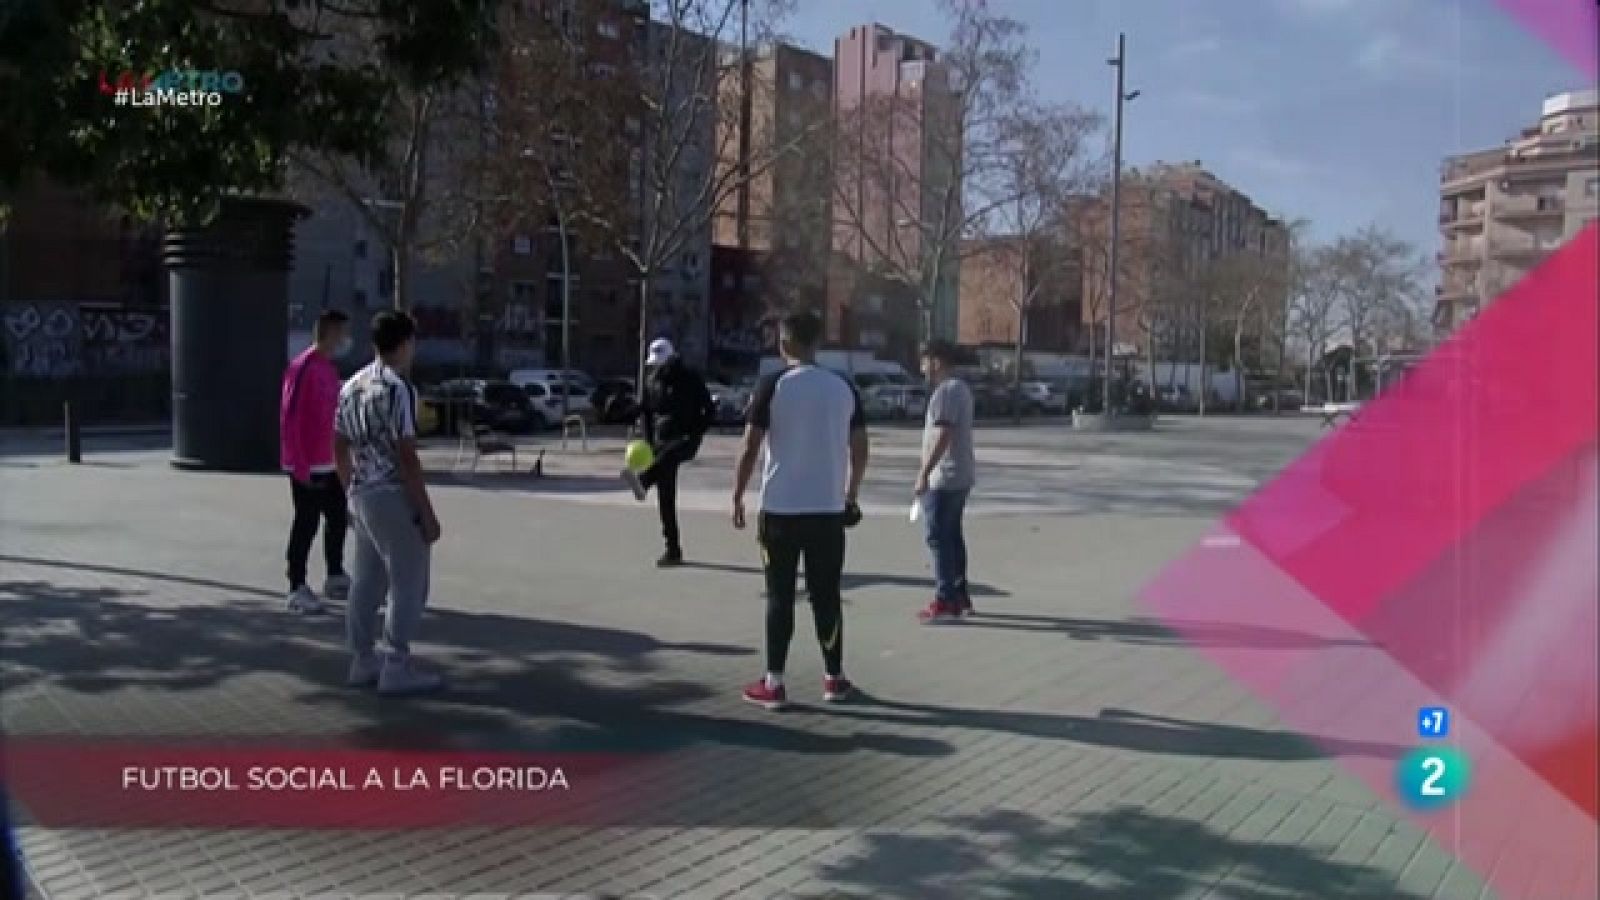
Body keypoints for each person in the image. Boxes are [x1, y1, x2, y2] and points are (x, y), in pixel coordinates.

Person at [732, 312, 869, 710]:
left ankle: (774, 683)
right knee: (826, 596)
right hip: (827, 511)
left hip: (780, 511)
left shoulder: (772, 385)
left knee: (780, 596)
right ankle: (834, 678)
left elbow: (749, 445)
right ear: (817, 343)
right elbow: (860, 446)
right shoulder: (843, 387)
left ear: (783, 342)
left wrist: (738, 494)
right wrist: (851, 494)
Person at [334, 310, 444, 695]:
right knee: (408, 581)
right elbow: (406, 454)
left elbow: (338, 444)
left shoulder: (351, 386)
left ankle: (362, 657)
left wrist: (349, 489)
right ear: (405, 343)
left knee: (366, 580)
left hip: (362, 495)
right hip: (392, 493)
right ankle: (396, 662)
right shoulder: (398, 388)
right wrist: (426, 513)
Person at [279, 308, 352, 614]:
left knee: (337, 519)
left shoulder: (329, 369)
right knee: (306, 524)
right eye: (343, 332)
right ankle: (296, 587)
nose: (346, 338)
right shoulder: (303, 367)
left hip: (329, 461)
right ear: (330, 332)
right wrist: (299, 464)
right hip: (306, 463)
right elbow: (290, 416)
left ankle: (335, 574)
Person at [621, 337, 715, 567]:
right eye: (655, 363)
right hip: (660, 443)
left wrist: (697, 432)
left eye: (662, 362)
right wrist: (647, 440)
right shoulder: (652, 381)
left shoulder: (690, 378)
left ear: (673, 358)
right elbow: (645, 411)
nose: (658, 366)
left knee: (670, 456)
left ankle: (642, 483)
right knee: (666, 496)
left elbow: (708, 409)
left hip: (684, 438)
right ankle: (673, 549)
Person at [914, 340, 978, 623]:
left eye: (925, 361)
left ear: (936, 362)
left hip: (945, 476)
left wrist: (924, 472)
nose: (922, 367)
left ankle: (945, 599)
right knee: (952, 536)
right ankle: (959, 595)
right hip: (959, 474)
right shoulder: (959, 389)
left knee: (938, 537)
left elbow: (943, 434)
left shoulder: (947, 391)